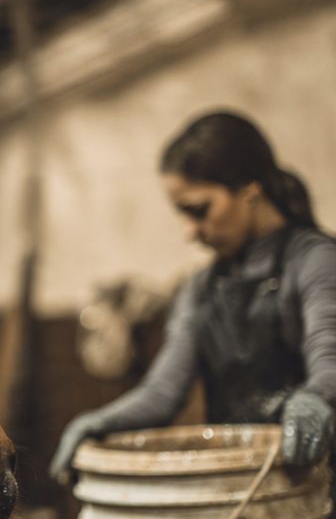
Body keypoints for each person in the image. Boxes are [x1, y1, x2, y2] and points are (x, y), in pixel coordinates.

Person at [50, 111, 336, 486]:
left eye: (199, 211)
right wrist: (101, 421)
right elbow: (163, 391)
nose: (189, 232)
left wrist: (317, 399)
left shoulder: (314, 260)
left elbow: (329, 357)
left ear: (251, 191)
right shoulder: (201, 287)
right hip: (243, 484)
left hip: (317, 483)